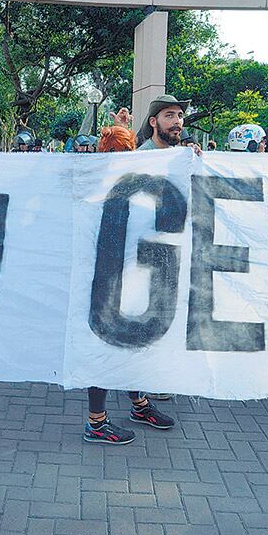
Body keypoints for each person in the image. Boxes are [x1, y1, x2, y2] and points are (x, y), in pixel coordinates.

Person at [82, 107, 175, 444]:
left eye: (129, 152)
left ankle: (138, 403)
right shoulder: (93, 190)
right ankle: (97, 422)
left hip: (129, 279)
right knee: (104, 347)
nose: (128, 158)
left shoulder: (129, 185)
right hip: (101, 287)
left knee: (131, 343)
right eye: (120, 153)